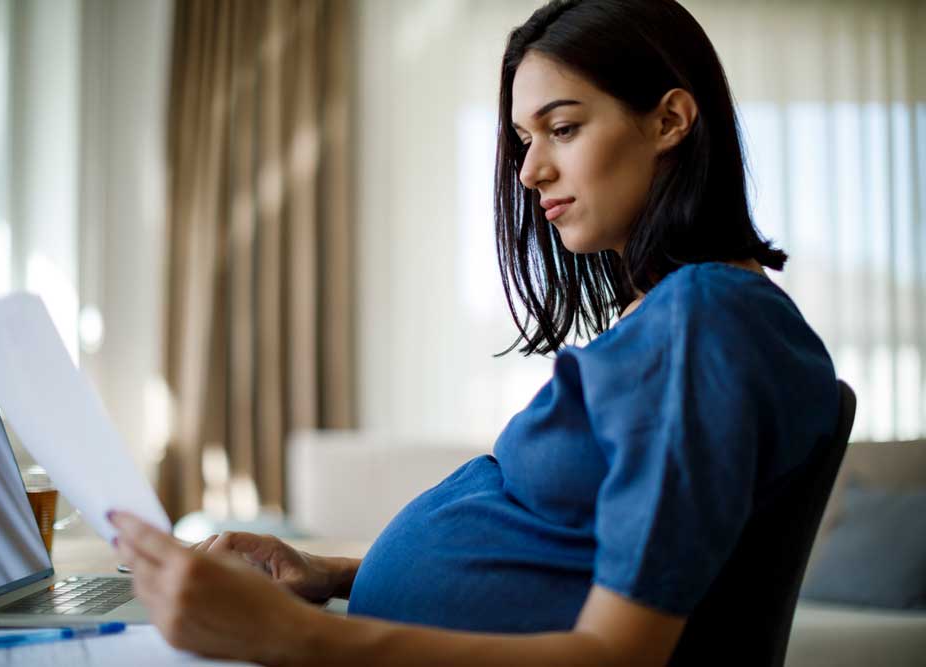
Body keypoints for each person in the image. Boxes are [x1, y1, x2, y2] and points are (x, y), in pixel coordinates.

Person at [110, 0, 839, 664]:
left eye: (562, 127)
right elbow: (578, 564)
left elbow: (619, 654)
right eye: (524, 138)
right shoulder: (691, 320)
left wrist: (290, 634)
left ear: (670, 120)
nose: (528, 170)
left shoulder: (703, 324)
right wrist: (328, 575)